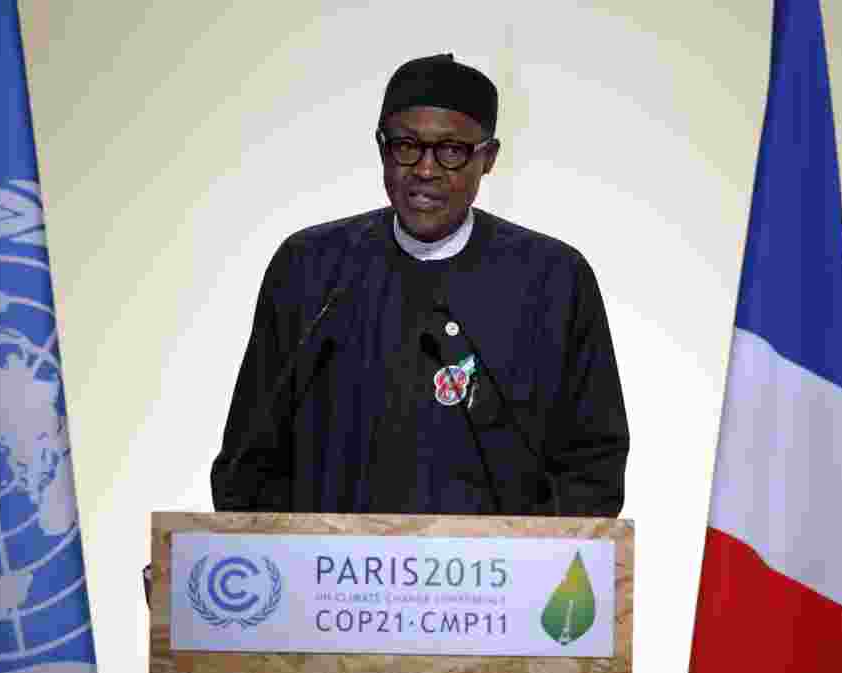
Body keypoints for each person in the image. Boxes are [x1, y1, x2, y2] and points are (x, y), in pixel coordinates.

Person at [210, 54, 628, 517]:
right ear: (381, 148)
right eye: (406, 146)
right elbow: (249, 459)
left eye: (451, 151)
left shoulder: (553, 280)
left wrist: (536, 572)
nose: (425, 170)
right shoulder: (311, 269)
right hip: (334, 579)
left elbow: (593, 467)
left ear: (487, 159)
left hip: (495, 583)